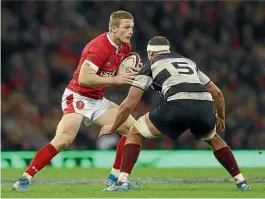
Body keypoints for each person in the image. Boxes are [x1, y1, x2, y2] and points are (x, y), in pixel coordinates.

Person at [99, 36, 251, 192]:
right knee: (213, 139)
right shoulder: (189, 62)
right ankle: (241, 182)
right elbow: (217, 93)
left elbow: (128, 104)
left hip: (178, 104)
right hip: (205, 105)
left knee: (134, 133)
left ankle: (122, 182)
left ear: (150, 53)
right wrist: (221, 116)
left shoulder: (150, 65)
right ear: (167, 50)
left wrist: (114, 126)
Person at [13, 10, 140, 191]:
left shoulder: (124, 48)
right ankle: (25, 178)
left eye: (132, 28)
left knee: (133, 131)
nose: (131, 32)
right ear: (113, 29)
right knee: (64, 140)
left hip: (97, 99)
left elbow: (116, 73)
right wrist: (115, 79)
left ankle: (115, 178)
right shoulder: (99, 47)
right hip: (78, 97)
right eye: (126, 27)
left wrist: (129, 73)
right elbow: (84, 79)